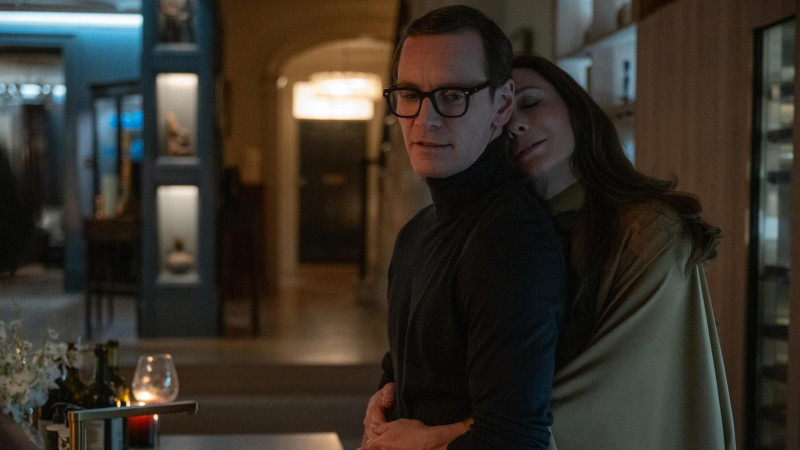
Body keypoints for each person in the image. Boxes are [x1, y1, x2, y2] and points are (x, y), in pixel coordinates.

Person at [363, 53, 736, 449]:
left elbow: (623, 391)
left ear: (575, 108)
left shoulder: (647, 231)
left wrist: (446, 435)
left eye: (531, 102)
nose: (515, 126)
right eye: (501, 119)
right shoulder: (491, 235)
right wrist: (390, 397)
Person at [361, 6, 566, 450]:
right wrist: (381, 410)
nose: (425, 119)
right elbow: (407, 369)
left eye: (453, 95)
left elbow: (514, 440)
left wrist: (420, 443)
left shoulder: (509, 238)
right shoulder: (415, 232)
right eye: (409, 94)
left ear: (502, 105)